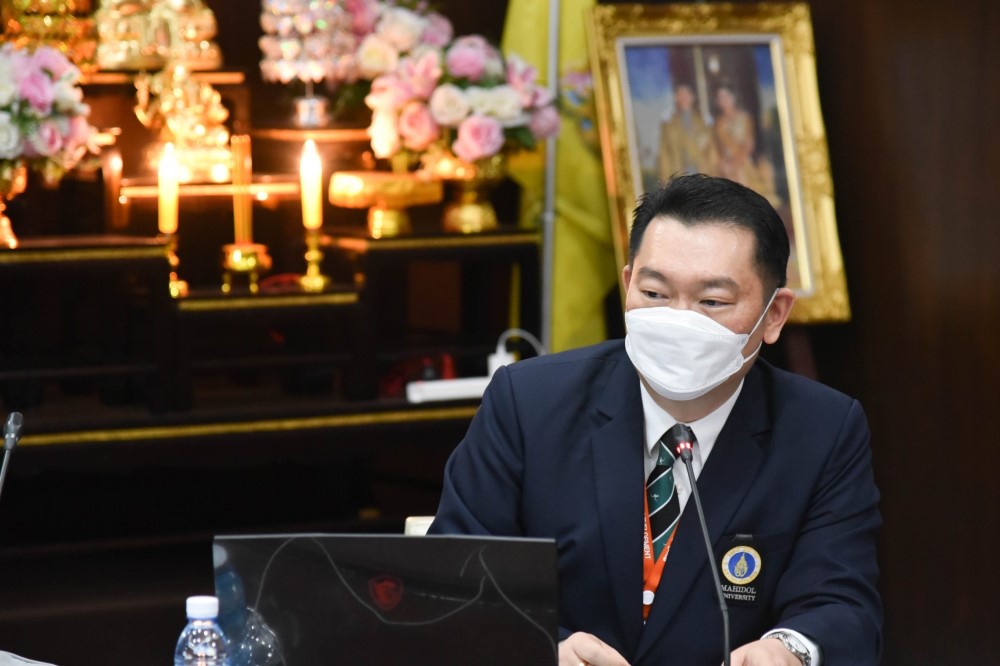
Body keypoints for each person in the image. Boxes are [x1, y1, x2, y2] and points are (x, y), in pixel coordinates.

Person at [428, 173, 882, 665]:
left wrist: (788, 650)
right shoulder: (527, 403)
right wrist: (541, 650)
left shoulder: (822, 430)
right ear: (627, 284)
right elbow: (452, 582)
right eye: (655, 293)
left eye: (712, 301)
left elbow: (842, 604)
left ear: (774, 315)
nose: (678, 321)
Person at [658, 83, 716, 180]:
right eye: (680, 95)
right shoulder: (669, 126)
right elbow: (664, 156)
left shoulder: (703, 122)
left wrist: (713, 175)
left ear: (692, 97)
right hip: (679, 175)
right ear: (676, 98)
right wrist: (666, 180)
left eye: (686, 94)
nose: (683, 98)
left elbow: (712, 151)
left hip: (702, 173)